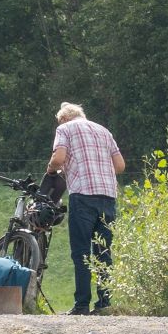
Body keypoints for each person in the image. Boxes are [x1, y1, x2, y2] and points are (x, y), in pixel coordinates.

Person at [48, 101, 125, 315]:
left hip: (83, 195)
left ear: (64, 118)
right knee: (103, 252)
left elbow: (59, 158)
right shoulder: (104, 131)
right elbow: (120, 166)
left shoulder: (64, 129)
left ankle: (81, 304)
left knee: (81, 252)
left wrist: (52, 169)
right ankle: (104, 304)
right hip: (108, 196)